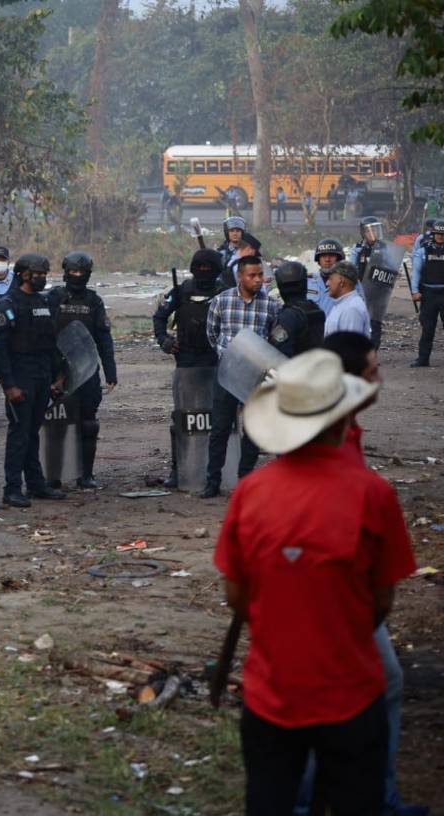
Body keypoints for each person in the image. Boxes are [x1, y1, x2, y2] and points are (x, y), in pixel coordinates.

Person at [213, 347, 416, 816]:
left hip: (270, 695)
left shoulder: (251, 492)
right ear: (342, 415)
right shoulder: (373, 493)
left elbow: (236, 593)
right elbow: (381, 599)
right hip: (352, 694)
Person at [305, 332, 429, 816]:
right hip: (334, 583)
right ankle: (368, 797)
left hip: (334, 580)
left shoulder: (343, 427)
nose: (379, 378)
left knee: (342, 688)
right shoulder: (333, 434)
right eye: (372, 370)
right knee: (374, 682)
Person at [200, 255, 281, 498]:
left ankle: (245, 481)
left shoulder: (270, 305)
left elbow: (272, 340)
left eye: (260, 275)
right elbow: (212, 333)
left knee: (253, 431)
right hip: (227, 375)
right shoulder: (221, 302)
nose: (258, 280)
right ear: (240, 277)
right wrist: (226, 357)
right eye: (252, 275)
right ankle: (212, 482)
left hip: (256, 378)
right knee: (220, 429)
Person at [0, 254, 67, 504]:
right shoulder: (9, 303)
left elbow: (51, 344)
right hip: (20, 375)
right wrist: (9, 384)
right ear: (23, 274)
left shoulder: (43, 303)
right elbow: (1, 349)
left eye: (44, 274)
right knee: (19, 434)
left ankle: (35, 484)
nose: (42, 278)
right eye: (37, 273)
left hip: (41, 374)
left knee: (33, 432)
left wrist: (57, 377)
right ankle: (12, 488)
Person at [152, 249, 228, 488]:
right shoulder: (182, 291)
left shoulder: (224, 293)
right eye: (200, 267)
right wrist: (164, 340)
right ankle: (179, 469)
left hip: (217, 361)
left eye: (209, 268)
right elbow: (160, 316)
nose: (204, 272)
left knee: (219, 418)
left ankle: (216, 470)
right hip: (186, 362)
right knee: (182, 418)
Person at [47, 251, 117, 490]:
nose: (77, 276)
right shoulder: (54, 298)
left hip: (86, 369)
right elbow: (43, 335)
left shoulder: (93, 301)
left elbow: (103, 339)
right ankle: (53, 474)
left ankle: (85, 474)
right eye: (73, 272)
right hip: (57, 370)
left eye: (81, 272)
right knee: (55, 423)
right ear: (66, 273)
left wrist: (110, 372)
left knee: (88, 424)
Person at [271, 261, 324, 357]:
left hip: (296, 369)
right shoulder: (314, 308)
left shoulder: (289, 316)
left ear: (280, 286)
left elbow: (278, 351)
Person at [409, 219, 444, 367]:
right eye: (438, 234)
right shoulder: (423, 250)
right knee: (427, 329)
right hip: (428, 294)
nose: (440, 237)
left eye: (443, 234)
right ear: (433, 234)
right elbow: (416, 273)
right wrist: (415, 291)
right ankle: (423, 359)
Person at [350, 217, 388, 348]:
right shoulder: (358, 249)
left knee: (375, 324)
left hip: (378, 293)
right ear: (363, 233)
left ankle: (373, 352)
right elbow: (351, 269)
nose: (374, 234)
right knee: (360, 322)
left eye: (376, 230)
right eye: (370, 231)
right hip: (362, 292)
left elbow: (389, 269)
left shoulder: (385, 249)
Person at [324, 261, 371, 338]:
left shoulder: (351, 309)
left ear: (341, 281)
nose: (327, 283)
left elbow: (350, 346)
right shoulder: (342, 304)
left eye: (330, 279)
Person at [310, 237, 346, 316]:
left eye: (331, 255)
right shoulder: (308, 282)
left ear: (339, 259)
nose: (327, 259)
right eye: (323, 256)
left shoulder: (350, 282)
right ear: (318, 259)